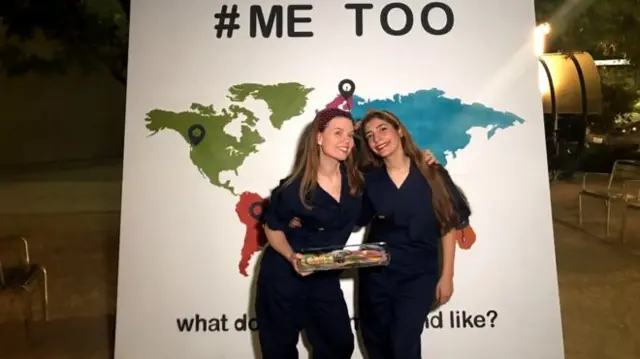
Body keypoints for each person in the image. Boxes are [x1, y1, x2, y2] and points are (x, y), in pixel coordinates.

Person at [356, 109, 471, 359]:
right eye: (370, 135)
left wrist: (447, 275)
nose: (377, 139)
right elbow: (355, 218)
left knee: (403, 345)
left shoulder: (431, 172)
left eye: (383, 129)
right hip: (375, 277)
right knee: (377, 344)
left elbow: (448, 224)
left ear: (399, 130)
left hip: (418, 276)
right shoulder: (370, 180)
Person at [255, 107, 363, 359]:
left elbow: (393, 170)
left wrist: (422, 160)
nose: (346, 141)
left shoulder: (357, 183)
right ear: (318, 137)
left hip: (323, 278)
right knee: (279, 351)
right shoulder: (292, 188)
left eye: (350, 135)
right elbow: (272, 229)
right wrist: (292, 256)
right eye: (338, 133)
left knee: (340, 345)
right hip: (282, 278)